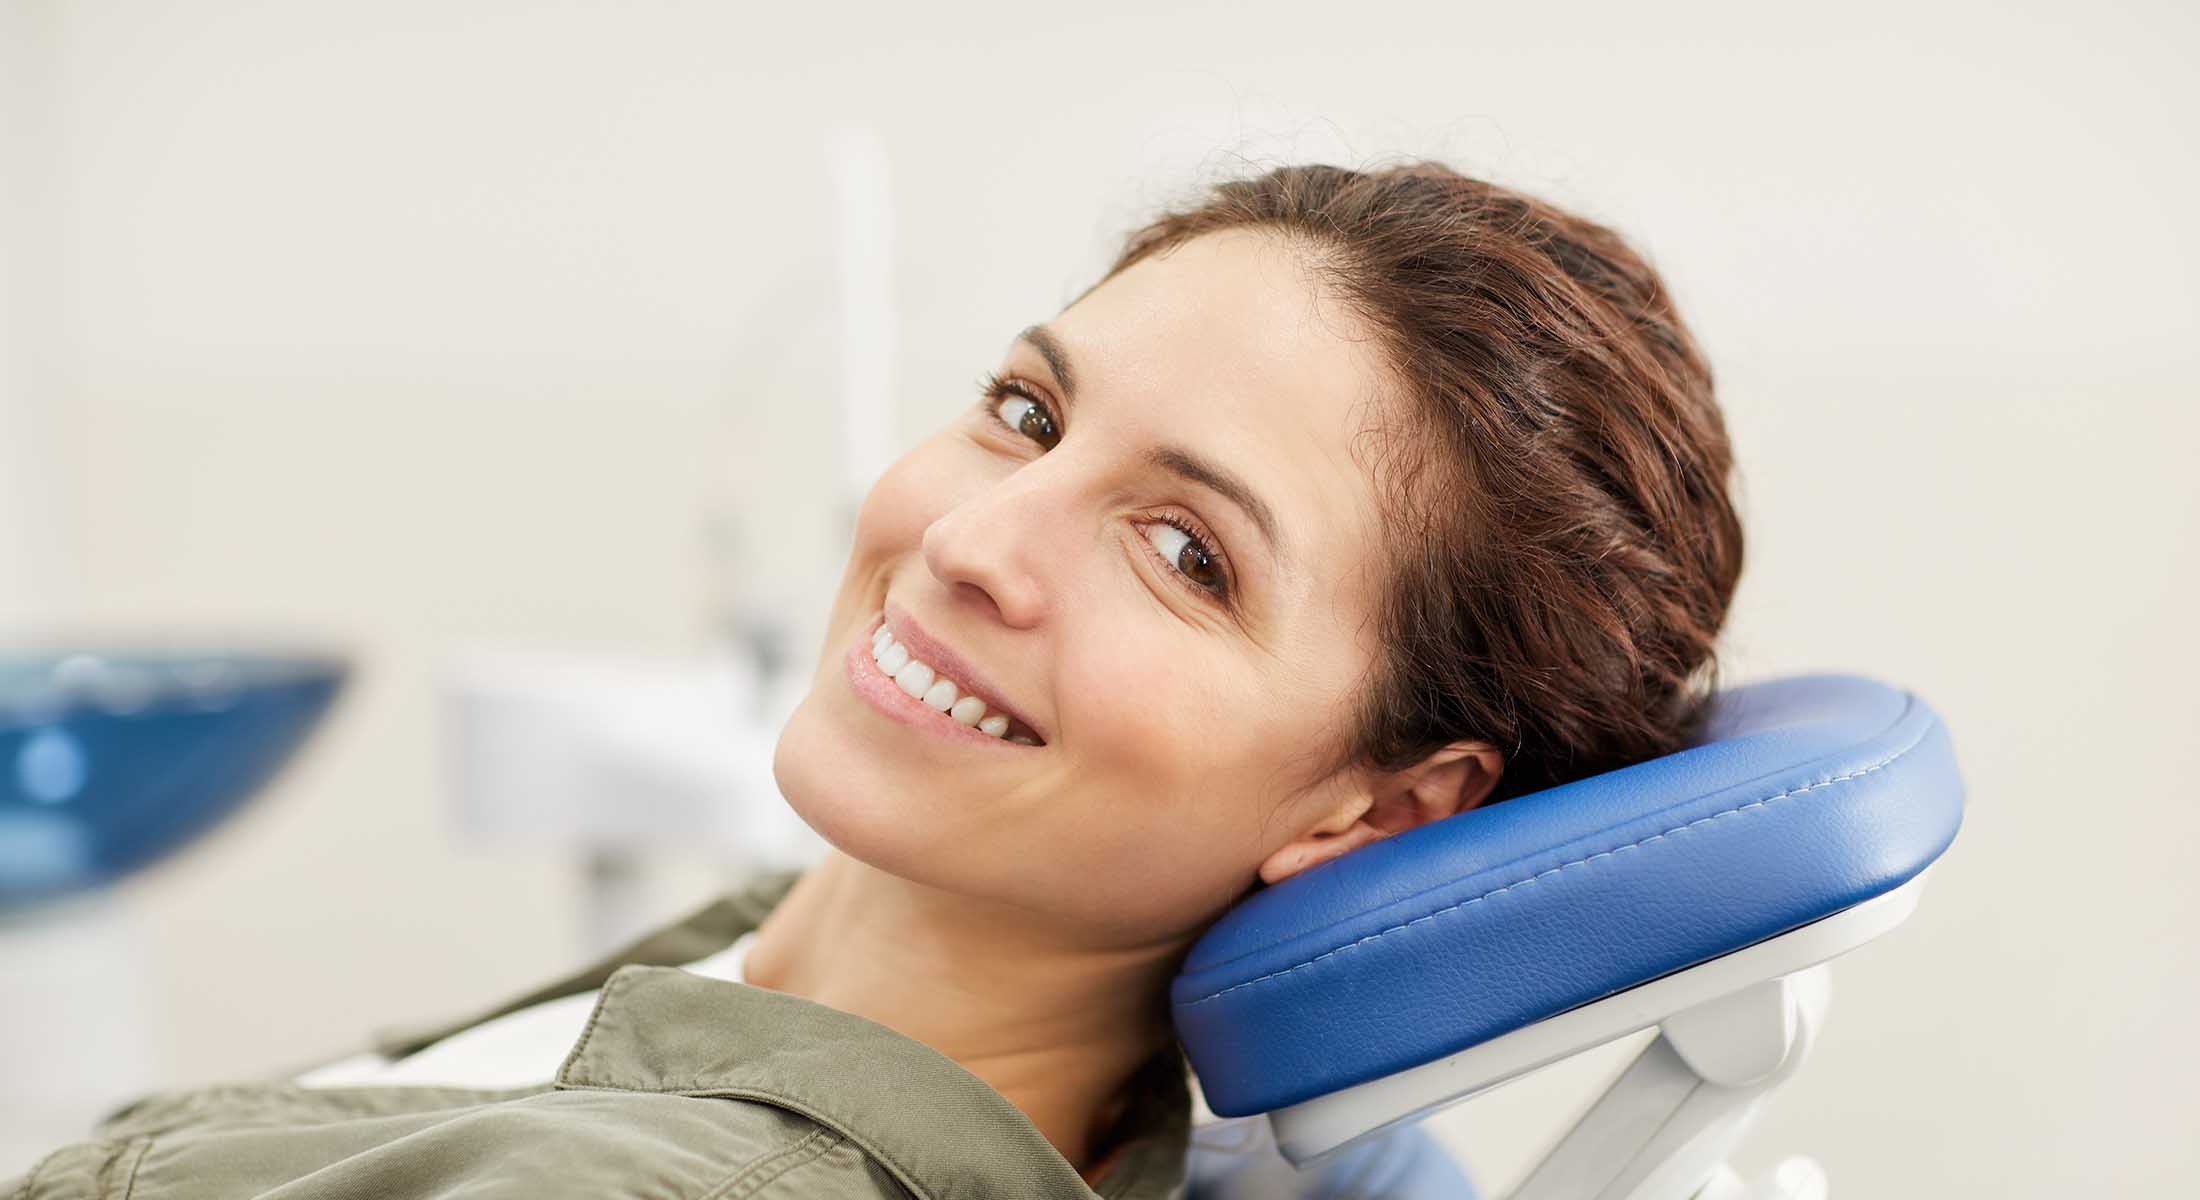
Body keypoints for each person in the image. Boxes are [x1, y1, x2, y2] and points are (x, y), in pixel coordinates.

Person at [8, 161, 1742, 1199]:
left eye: (1187, 552)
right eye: (1028, 414)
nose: (973, 537)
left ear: (1379, 807)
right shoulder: (796, 981)